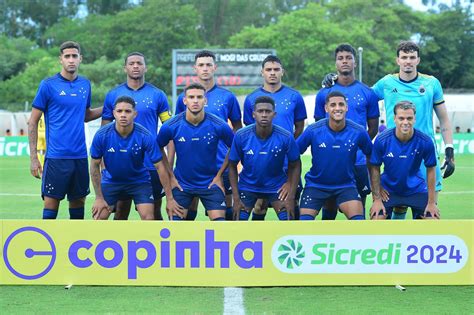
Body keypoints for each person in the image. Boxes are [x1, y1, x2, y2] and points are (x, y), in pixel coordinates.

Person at [323, 41, 455, 219]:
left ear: (418, 60)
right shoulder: (386, 82)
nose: (408, 61)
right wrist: (335, 83)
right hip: (394, 152)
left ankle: (420, 244)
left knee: (429, 210)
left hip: (424, 152)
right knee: (397, 207)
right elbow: (359, 97)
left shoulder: (431, 83)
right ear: (397, 60)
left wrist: (449, 149)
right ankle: (396, 245)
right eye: (404, 57)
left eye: (412, 57)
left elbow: (444, 119)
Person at [28, 41, 102, 219]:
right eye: (67, 56)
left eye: (74, 56)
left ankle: (73, 246)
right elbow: (32, 122)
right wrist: (33, 159)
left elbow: (86, 115)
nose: (71, 60)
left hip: (79, 157)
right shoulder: (48, 85)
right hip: (56, 157)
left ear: (80, 59)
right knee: (51, 204)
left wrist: (109, 108)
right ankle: (47, 245)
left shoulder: (85, 85)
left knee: (78, 204)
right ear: (60, 59)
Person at [102, 52, 172, 221]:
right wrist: (104, 163)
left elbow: (168, 130)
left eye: (139, 63)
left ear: (145, 67)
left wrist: (168, 163)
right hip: (120, 163)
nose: (135, 66)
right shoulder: (113, 94)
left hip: (151, 164)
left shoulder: (158, 95)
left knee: (154, 212)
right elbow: (104, 131)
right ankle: (117, 247)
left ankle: (156, 246)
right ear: (125, 67)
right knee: (120, 211)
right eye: (131, 63)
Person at [314, 44, 379, 220]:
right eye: (341, 58)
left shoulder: (367, 93)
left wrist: (357, 145)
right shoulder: (324, 93)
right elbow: (318, 127)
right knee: (329, 205)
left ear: (355, 63)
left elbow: (372, 127)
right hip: (330, 160)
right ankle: (327, 245)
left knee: (358, 206)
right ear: (335, 63)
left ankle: (358, 244)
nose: (345, 61)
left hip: (357, 161)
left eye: (348, 58)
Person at [90, 96, 182, 220]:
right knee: (99, 217)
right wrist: (99, 198)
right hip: (111, 181)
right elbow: (94, 165)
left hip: (139, 181)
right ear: (113, 113)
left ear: (135, 114)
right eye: (119, 111)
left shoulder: (145, 135)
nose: (123, 115)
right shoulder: (102, 135)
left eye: (127, 111)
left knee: (149, 217)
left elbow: (160, 167)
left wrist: (170, 199)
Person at [175, 50, 242, 220]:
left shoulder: (227, 96)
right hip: (190, 165)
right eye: (201, 65)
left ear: (215, 68)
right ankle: (188, 245)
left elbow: (237, 130)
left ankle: (228, 245)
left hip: (221, 165)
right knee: (188, 208)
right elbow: (176, 130)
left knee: (225, 211)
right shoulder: (184, 98)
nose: (205, 68)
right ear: (195, 68)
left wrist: (233, 160)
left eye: (208, 65)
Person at [243, 55, 307, 219]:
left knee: (291, 204)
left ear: (282, 72)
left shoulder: (294, 96)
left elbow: (299, 126)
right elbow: (251, 130)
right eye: (269, 70)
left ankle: (294, 240)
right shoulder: (251, 98)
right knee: (259, 204)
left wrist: (289, 149)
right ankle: (259, 242)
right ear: (262, 72)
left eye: (276, 69)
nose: (272, 73)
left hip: (286, 164)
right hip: (261, 162)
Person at [159, 83, 234, 221]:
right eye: (191, 97)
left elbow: (235, 148)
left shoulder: (219, 125)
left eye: (199, 97)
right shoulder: (171, 126)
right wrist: (171, 175)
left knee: (221, 226)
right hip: (181, 184)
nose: (195, 101)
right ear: (184, 100)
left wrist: (219, 176)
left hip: (210, 183)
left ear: (205, 100)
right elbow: (158, 148)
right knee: (175, 227)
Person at [296, 91, 373, 220]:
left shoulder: (358, 131)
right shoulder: (313, 130)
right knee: (304, 224)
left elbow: (372, 156)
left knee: (359, 224)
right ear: (326, 108)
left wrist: (376, 193)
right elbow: (293, 155)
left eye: (341, 104)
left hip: (346, 186)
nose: (337, 108)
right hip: (316, 185)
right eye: (333, 105)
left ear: (346, 107)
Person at [229, 96, 301, 221]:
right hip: (248, 186)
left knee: (289, 219)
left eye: (267, 112)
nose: (264, 115)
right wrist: (235, 198)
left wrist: (290, 191)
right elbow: (231, 165)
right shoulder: (241, 136)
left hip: (276, 186)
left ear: (274, 115)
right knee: (237, 221)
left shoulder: (285, 136)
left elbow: (295, 164)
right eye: (260, 111)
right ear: (253, 114)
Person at [370, 101, 439, 220]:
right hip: (388, 190)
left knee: (431, 219)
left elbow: (431, 170)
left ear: (415, 119)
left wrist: (432, 202)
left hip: (416, 189)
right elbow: (374, 168)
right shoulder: (382, 140)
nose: (405, 122)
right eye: (401, 118)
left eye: (409, 118)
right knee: (377, 217)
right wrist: (376, 198)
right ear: (394, 119)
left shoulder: (425, 141)